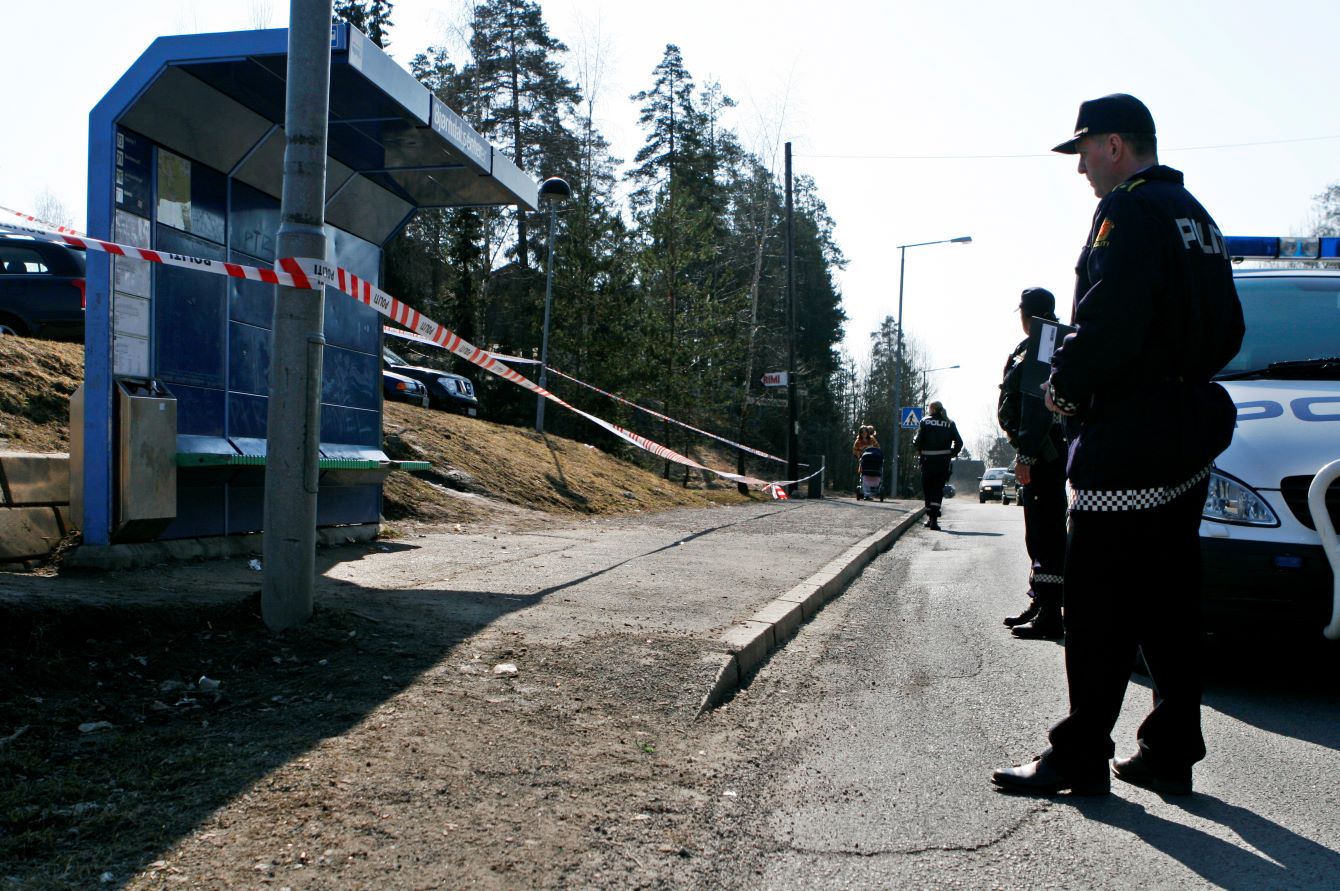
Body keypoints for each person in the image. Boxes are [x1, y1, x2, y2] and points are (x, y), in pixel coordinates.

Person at [992, 94, 1244, 797]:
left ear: (1113, 146)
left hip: (1130, 431)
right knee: (1169, 597)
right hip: (1187, 425)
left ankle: (1079, 755)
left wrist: (1066, 389)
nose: (1081, 170)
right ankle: (1170, 747)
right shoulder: (1196, 216)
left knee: (1098, 601)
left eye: (1083, 153)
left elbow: (1107, 321)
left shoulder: (1126, 212)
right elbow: (1229, 327)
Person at [997, 287, 1067, 640]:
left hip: (1042, 453)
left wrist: (1026, 455)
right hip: (1038, 450)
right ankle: (1041, 601)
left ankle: (1051, 612)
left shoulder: (1045, 341)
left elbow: (1038, 404)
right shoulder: (1041, 341)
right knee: (1037, 530)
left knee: (1046, 531)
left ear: (1028, 314)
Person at [912, 402, 962, 530]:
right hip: (943, 462)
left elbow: (917, 441)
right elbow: (959, 442)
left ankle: (930, 517)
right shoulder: (950, 423)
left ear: (933, 409)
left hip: (927, 461)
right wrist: (951, 453)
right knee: (938, 489)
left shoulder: (925, 421)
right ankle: (934, 520)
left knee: (928, 489)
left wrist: (918, 448)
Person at [851, 425, 879, 500]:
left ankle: (872, 490)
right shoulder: (858, 441)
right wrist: (859, 454)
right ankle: (866, 494)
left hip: (873, 460)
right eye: (862, 432)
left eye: (865, 432)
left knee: (873, 474)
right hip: (863, 460)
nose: (864, 434)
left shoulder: (872, 439)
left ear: (867, 432)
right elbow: (854, 451)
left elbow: (878, 448)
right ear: (860, 433)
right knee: (864, 476)